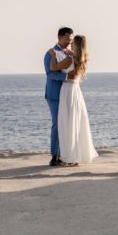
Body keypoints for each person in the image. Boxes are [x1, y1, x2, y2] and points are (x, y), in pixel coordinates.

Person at [57, 35, 98, 166]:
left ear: (76, 45)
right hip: (75, 90)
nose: (70, 44)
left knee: (67, 123)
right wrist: (69, 52)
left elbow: (54, 67)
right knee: (75, 123)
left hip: (68, 90)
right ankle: (75, 156)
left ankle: (69, 157)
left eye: (73, 43)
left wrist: (53, 54)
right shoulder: (80, 59)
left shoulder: (70, 59)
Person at [44, 27, 74, 167]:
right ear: (59, 37)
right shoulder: (50, 53)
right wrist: (67, 77)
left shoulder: (68, 52)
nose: (69, 41)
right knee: (57, 123)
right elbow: (50, 74)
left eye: (71, 39)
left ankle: (63, 154)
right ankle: (54, 156)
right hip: (55, 95)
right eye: (67, 39)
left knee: (65, 124)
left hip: (67, 94)